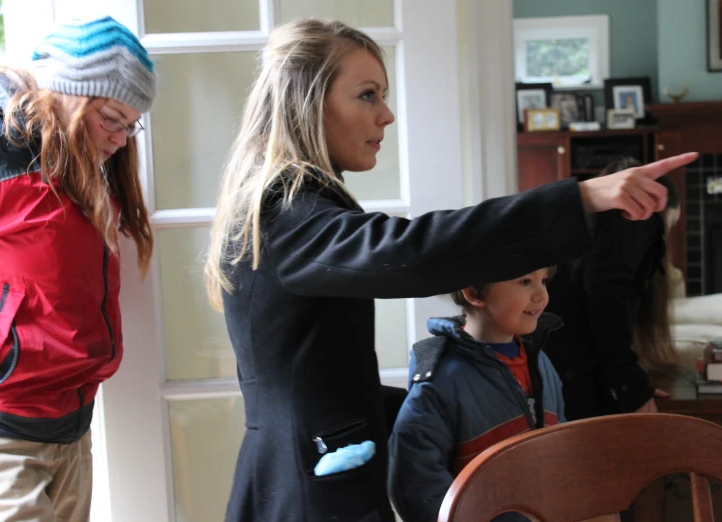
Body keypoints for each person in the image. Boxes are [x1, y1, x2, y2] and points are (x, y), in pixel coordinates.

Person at [203, 18, 697, 522]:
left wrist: (460, 405)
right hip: (303, 493)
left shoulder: (293, 207)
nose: (387, 115)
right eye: (368, 95)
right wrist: (580, 197)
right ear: (307, 102)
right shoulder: (287, 213)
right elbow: (412, 252)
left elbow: (323, 380)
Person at [0, 16, 156, 521]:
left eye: (131, 124)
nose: (123, 139)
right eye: (111, 118)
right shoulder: (2, 150)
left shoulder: (83, 166)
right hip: (5, 436)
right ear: (65, 94)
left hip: (73, 428)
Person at [388, 267, 565, 522]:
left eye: (544, 281)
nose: (541, 296)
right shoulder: (441, 378)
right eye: (525, 281)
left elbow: (563, 445)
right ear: (474, 292)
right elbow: (416, 482)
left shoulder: (541, 362)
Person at [543, 156, 683, 421]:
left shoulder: (592, 220)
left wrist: (634, 382)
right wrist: (631, 386)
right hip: (574, 378)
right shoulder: (637, 216)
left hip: (559, 372)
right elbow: (607, 297)